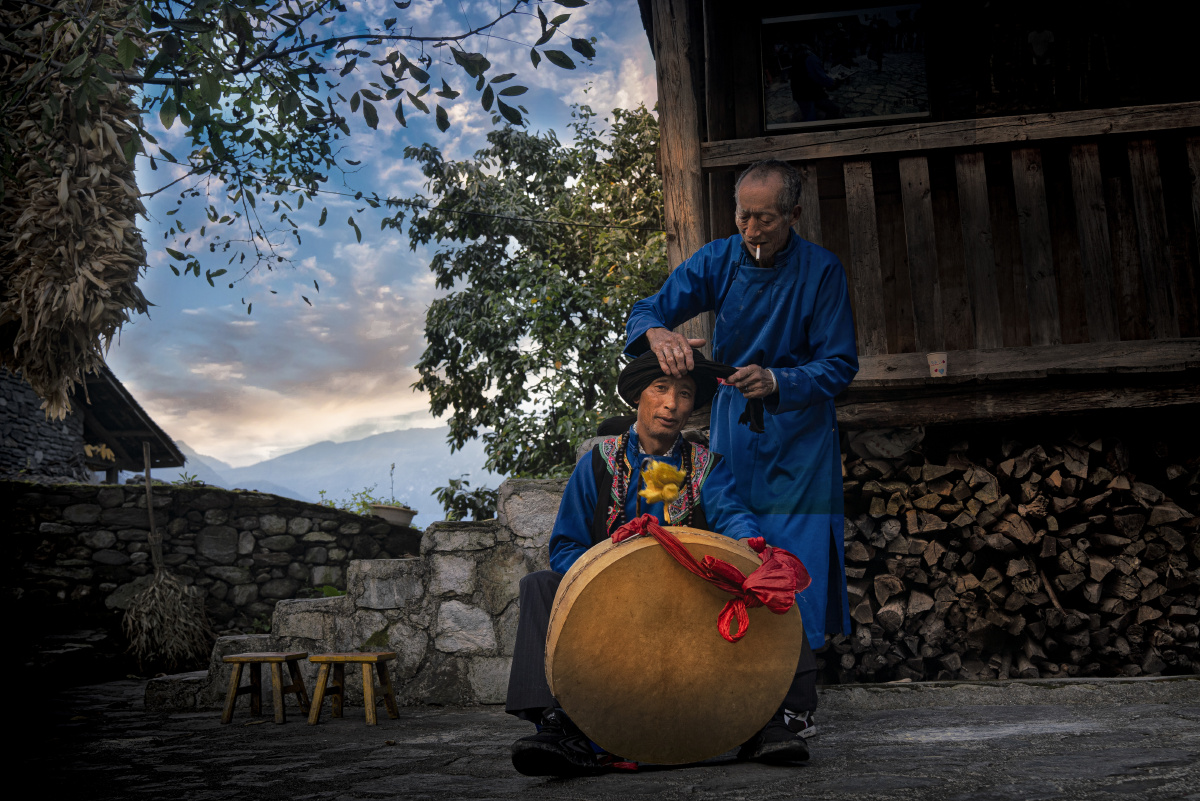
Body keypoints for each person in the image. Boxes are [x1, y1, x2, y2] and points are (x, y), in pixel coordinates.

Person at [624, 158, 859, 747]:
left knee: (793, 558)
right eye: (743, 216)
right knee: (734, 547)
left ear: (794, 215)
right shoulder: (717, 259)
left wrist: (779, 381)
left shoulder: (822, 271)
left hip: (800, 435)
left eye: (766, 218)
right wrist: (660, 335)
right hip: (734, 430)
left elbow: (839, 364)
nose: (751, 229)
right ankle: (735, 691)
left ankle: (793, 708)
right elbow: (647, 311)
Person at [505, 349, 817, 776]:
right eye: (661, 388)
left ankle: (771, 721)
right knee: (540, 584)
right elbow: (565, 547)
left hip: (693, 598)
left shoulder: (706, 467)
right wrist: (612, 573)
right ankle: (562, 726)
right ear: (639, 396)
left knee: (771, 578)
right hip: (610, 603)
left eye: (685, 394)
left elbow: (732, 515)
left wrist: (752, 547)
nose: (672, 404)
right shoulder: (597, 465)